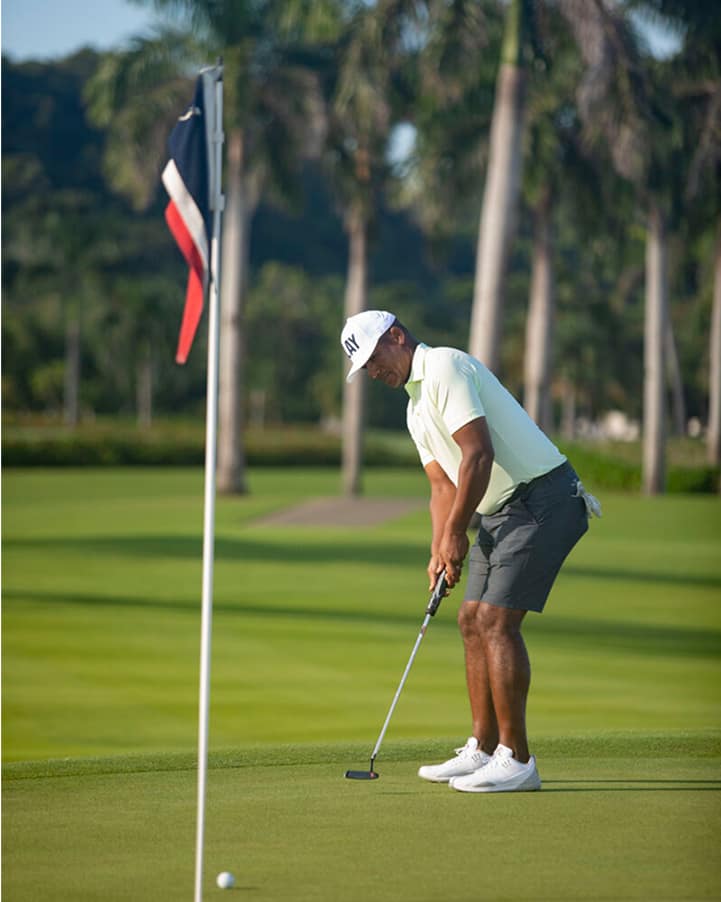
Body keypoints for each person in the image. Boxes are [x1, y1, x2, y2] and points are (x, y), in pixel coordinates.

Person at [340, 310, 601, 793]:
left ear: (396, 336)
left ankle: (517, 760)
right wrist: (439, 547)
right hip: (502, 510)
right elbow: (442, 487)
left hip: (545, 497)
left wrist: (458, 532)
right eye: (366, 368)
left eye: (374, 359)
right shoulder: (415, 408)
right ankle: (483, 748)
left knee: (496, 621)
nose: (373, 372)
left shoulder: (444, 366)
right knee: (470, 619)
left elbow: (478, 454)